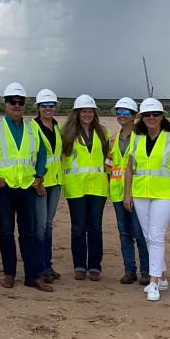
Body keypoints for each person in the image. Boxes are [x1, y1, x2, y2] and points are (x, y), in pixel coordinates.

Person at [0, 83, 51, 292]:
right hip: (5, 189)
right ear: (6, 104)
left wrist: (39, 176)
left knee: (28, 233)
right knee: (6, 231)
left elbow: (42, 154)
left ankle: (32, 276)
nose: (17, 105)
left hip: (27, 188)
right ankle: (9, 273)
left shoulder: (32, 128)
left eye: (21, 102)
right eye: (13, 101)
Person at [123, 97, 170, 302]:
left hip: (165, 194)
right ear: (141, 118)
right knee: (148, 235)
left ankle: (154, 282)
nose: (151, 118)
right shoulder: (136, 138)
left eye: (155, 114)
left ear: (162, 116)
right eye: (147, 115)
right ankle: (163, 276)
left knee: (156, 235)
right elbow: (129, 169)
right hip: (141, 193)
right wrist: (127, 194)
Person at [60, 94, 110, 280]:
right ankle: (80, 266)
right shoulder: (67, 133)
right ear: (77, 113)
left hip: (98, 187)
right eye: (84, 111)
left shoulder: (102, 132)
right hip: (76, 187)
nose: (87, 114)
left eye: (90, 111)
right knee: (78, 227)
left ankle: (95, 266)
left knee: (95, 227)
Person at [108, 96, 149, 285]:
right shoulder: (113, 140)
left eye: (126, 112)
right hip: (117, 193)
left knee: (140, 233)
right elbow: (109, 165)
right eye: (119, 112)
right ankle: (129, 270)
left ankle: (146, 271)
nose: (121, 115)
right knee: (124, 233)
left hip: (136, 193)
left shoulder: (142, 138)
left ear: (134, 116)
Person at [32, 88, 63, 283]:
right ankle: (39, 267)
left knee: (49, 225)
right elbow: (32, 155)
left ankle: (47, 264)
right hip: (41, 183)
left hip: (56, 182)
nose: (48, 108)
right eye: (44, 105)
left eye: (51, 105)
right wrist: (37, 179)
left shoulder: (57, 126)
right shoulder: (32, 128)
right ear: (38, 108)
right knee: (40, 226)